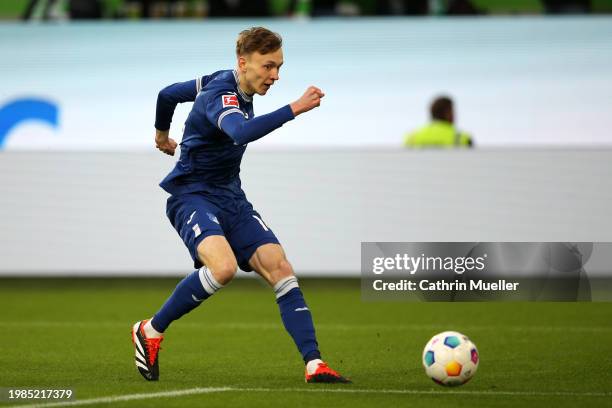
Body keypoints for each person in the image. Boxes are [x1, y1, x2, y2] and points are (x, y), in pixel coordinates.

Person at [131, 26, 350, 384]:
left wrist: (162, 136)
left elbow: (167, 93)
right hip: (192, 194)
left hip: (230, 196)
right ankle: (151, 329)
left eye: (279, 67)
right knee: (223, 269)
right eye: (268, 67)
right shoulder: (223, 93)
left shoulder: (215, 80)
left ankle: (314, 364)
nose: (275, 76)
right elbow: (240, 132)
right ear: (243, 62)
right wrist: (295, 107)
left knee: (281, 268)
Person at [404, 96, 473, 148]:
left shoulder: (411, 137)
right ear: (447, 113)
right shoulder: (462, 138)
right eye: (452, 111)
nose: (455, 115)